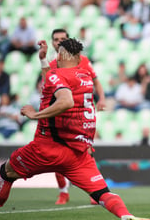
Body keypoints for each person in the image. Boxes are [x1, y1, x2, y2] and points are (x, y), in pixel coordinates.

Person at [0, 38, 150, 220]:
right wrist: (43, 62)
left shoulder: (57, 76)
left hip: (47, 147)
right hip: (78, 154)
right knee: (102, 193)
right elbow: (53, 84)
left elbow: (64, 99)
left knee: (6, 172)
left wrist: (35, 115)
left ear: (62, 54)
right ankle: (125, 215)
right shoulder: (84, 76)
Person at [38, 28, 106, 205]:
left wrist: (102, 98)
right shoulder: (52, 64)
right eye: (56, 39)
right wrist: (43, 60)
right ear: (52, 42)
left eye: (62, 39)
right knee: (57, 154)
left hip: (81, 114)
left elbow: (96, 81)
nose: (59, 42)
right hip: (62, 114)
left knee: (87, 152)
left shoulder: (83, 60)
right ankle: (63, 191)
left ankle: (95, 191)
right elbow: (46, 83)